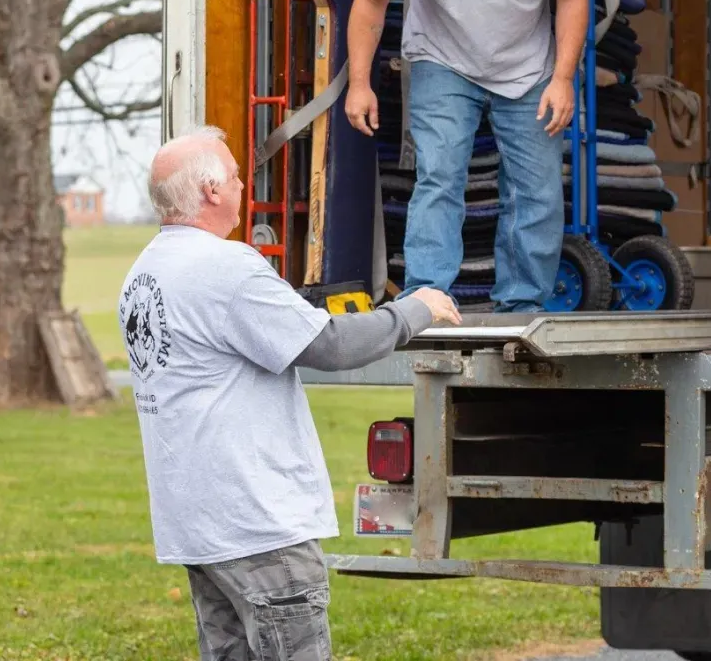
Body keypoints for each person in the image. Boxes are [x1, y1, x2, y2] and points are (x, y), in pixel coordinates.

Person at [118, 125, 460, 661]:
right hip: (258, 528)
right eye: (234, 176)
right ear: (210, 191)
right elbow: (330, 345)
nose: (240, 185)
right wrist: (416, 309)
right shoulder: (224, 267)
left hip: (200, 528)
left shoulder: (144, 274)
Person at [346, 0, 591, 313]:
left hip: (527, 65)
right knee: (439, 176)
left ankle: (520, 307)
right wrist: (358, 83)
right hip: (442, 57)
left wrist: (563, 79)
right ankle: (426, 300)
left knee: (536, 191)